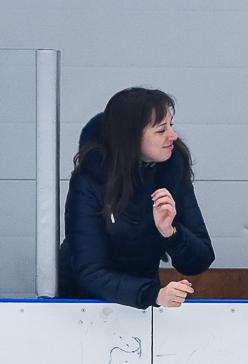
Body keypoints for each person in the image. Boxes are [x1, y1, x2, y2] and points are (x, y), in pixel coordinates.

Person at [59, 87, 214, 309]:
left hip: (142, 300)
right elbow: (90, 271)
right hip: (82, 305)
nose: (173, 135)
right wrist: (152, 294)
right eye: (161, 130)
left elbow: (201, 260)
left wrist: (171, 233)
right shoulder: (90, 180)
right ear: (130, 137)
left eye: (171, 125)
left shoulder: (171, 169)